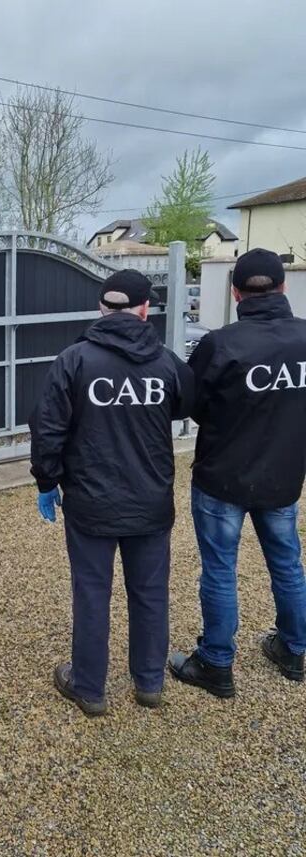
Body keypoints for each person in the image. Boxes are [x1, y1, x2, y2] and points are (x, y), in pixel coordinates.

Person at [30, 269, 194, 716]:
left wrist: (47, 481)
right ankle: (149, 682)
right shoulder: (166, 362)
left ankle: (90, 687)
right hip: (150, 499)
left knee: (92, 591)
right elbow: (188, 403)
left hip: (91, 501)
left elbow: (47, 427)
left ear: (102, 308)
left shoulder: (75, 360)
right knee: (150, 591)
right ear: (145, 309)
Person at [170, 248, 306, 696]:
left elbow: (191, 404)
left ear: (236, 293)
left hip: (223, 476)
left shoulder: (221, 343)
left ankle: (216, 662)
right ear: (283, 287)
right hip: (283, 475)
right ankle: (294, 649)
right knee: (288, 566)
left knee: (220, 570)